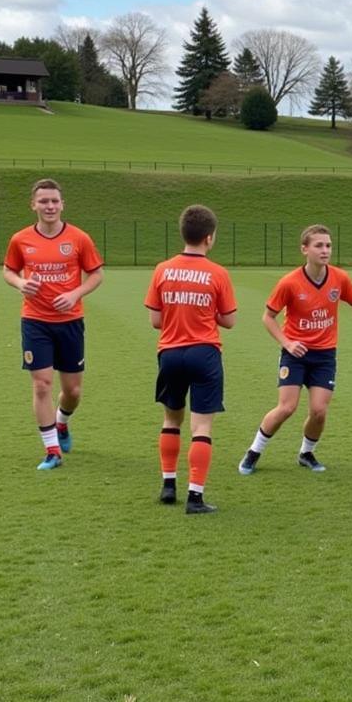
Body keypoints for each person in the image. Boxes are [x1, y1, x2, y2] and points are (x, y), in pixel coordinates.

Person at [238, 225, 352, 476]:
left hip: (325, 356)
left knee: (319, 411)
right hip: (295, 354)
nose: (325, 250)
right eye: (319, 245)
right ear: (304, 249)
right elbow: (268, 317)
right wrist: (287, 343)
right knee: (287, 407)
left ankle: (306, 453)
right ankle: (254, 451)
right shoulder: (289, 282)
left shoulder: (339, 278)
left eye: (328, 245)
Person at [2, 178, 104, 471]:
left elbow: (96, 274)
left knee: (72, 391)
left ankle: (62, 423)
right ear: (33, 204)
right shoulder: (20, 239)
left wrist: (75, 294)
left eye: (54, 201)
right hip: (35, 321)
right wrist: (21, 282)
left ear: (62, 205)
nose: (49, 206)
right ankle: (52, 451)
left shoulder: (79, 238)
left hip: (70, 321)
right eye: (44, 201)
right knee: (42, 384)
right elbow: (9, 270)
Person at [145, 205, 237, 515]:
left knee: (172, 419)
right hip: (204, 353)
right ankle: (195, 497)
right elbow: (229, 320)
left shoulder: (162, 269)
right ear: (209, 238)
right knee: (202, 427)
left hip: (170, 353)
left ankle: (168, 485)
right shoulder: (218, 273)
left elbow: (155, 319)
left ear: (183, 233)